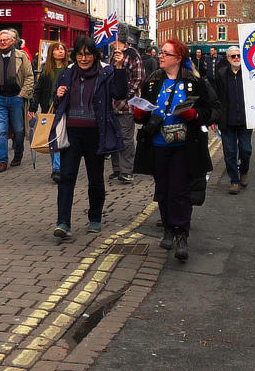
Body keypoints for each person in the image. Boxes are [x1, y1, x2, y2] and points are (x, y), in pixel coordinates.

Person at [132, 38, 216, 262]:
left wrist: (195, 115)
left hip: (184, 145)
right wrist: (140, 114)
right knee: (163, 188)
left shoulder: (194, 81)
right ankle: (168, 227)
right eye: (161, 52)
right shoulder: (152, 81)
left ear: (178, 58)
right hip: (158, 144)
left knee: (180, 190)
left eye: (166, 53)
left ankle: (181, 234)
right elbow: (142, 108)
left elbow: (212, 108)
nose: (161, 56)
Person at [49, 37, 128, 240]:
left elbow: (119, 93)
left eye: (88, 54)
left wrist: (119, 68)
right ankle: (63, 222)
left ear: (95, 55)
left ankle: (95, 218)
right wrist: (57, 95)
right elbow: (57, 103)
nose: (84, 58)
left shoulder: (106, 72)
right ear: (74, 56)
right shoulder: (67, 73)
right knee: (66, 177)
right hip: (72, 132)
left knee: (95, 178)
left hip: (95, 132)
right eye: (80, 54)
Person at [0, 28, 34, 173]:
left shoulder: (21, 56)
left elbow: (30, 77)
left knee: (18, 130)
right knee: (1, 131)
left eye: (6, 39)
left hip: (16, 99)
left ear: (13, 41)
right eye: (0, 40)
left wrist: (22, 94)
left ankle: (18, 154)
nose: (2, 42)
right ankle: (2, 161)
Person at [214, 45, 252, 194]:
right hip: (226, 121)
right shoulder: (221, 74)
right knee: (229, 153)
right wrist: (214, 118)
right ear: (228, 58)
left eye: (238, 56)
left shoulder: (249, 74)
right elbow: (216, 97)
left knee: (246, 150)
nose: (236, 58)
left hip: (245, 120)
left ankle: (244, 171)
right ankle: (234, 181)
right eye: (233, 56)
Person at [108, 33, 144, 185]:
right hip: (110, 105)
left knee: (126, 138)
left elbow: (139, 78)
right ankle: (117, 169)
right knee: (113, 136)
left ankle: (127, 171)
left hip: (125, 105)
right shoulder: (112, 55)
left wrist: (124, 94)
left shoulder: (132, 54)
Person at [35, 41, 71, 183]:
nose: (60, 51)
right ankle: (56, 168)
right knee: (52, 138)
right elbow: (38, 89)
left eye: (62, 49)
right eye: (57, 49)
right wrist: (33, 107)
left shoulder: (70, 69)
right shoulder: (46, 69)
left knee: (62, 137)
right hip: (49, 108)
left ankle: (60, 168)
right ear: (52, 52)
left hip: (65, 107)